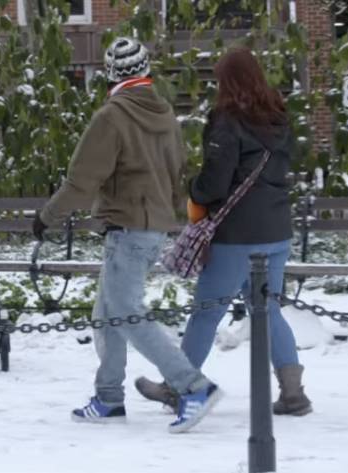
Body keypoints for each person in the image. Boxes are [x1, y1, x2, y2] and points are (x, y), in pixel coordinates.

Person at [33, 37, 223, 433]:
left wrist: (46, 217)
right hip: (152, 225)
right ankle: (108, 398)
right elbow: (177, 171)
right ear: (144, 70)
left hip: (127, 228)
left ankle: (193, 387)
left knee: (125, 313)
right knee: (107, 313)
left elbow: (81, 181)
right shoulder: (166, 113)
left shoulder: (111, 117)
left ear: (111, 74)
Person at [135, 47, 313, 416]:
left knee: (206, 312)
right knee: (268, 310)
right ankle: (293, 393)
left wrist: (194, 191)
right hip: (277, 232)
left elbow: (215, 183)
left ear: (227, 82)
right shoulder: (279, 117)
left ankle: (178, 386)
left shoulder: (227, 121)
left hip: (237, 236)